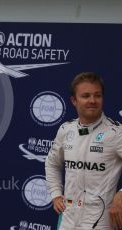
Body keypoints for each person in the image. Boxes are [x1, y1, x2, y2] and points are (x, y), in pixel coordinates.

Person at [45, 72, 122, 229]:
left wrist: (121, 195)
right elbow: (52, 163)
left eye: (97, 96)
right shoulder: (66, 129)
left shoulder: (116, 133)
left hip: (100, 220)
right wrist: (55, 194)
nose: (92, 101)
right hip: (68, 216)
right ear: (74, 100)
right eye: (86, 96)